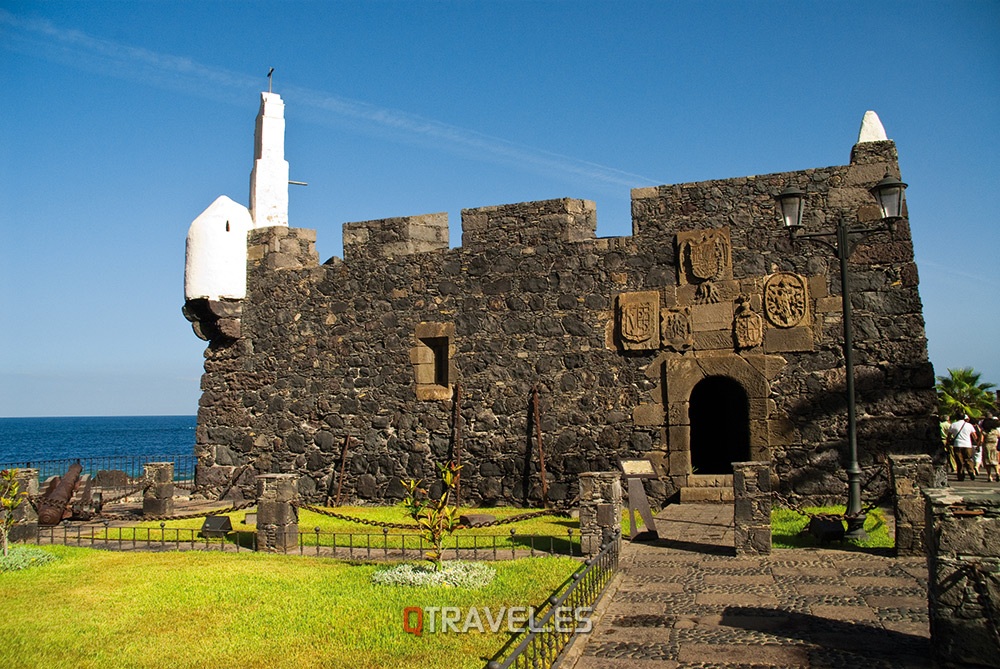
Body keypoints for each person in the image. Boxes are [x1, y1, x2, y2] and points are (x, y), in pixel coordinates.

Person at [948, 413, 979, 481]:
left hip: (957, 444)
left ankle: (961, 475)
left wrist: (948, 442)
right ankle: (971, 471)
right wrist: (976, 443)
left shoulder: (953, 425)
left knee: (959, 461)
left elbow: (949, 436)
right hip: (967, 444)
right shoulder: (969, 425)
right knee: (968, 459)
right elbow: (975, 436)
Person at [981, 414, 1000, 483]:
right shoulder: (995, 431)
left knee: (987, 461)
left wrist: (978, 446)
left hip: (987, 445)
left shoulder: (984, 431)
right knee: (995, 460)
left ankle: (989, 476)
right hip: (995, 445)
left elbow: (981, 440)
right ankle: (997, 472)